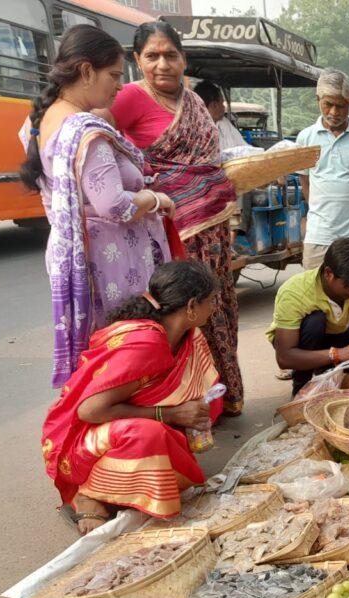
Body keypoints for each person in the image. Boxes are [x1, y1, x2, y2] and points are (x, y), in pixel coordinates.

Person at [18, 25, 173, 389]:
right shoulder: (86, 132)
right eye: (115, 75)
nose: (119, 87)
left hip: (73, 251)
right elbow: (114, 205)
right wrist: (155, 199)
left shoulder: (38, 122)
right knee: (118, 351)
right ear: (86, 71)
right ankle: (124, 431)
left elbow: (69, 199)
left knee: (95, 351)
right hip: (108, 261)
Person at [103, 21, 243, 415]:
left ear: (183, 59)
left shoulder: (196, 103)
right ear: (136, 60)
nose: (162, 64)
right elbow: (96, 141)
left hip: (212, 230)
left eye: (170, 55)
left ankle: (222, 396)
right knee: (183, 317)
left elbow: (207, 163)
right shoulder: (129, 97)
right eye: (152, 56)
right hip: (170, 233)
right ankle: (186, 405)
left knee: (219, 310)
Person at [42, 261, 222, 535]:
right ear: (191, 306)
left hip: (119, 424)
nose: (214, 308)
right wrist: (171, 414)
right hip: (81, 437)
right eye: (210, 301)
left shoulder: (188, 335)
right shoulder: (147, 344)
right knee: (148, 434)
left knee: (199, 412)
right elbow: (90, 411)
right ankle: (90, 495)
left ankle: (130, 483)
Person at [268, 237, 349, 395]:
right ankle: (301, 385)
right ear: (328, 273)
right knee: (315, 321)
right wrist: (338, 354)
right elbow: (284, 358)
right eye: (348, 286)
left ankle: (326, 369)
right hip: (299, 343)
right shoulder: (294, 292)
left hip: (334, 336)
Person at [296, 69, 349, 269]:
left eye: (340, 106)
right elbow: (305, 183)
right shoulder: (305, 138)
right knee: (313, 289)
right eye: (328, 104)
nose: (334, 112)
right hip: (319, 233)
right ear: (318, 100)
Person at [193, 79, 248, 151]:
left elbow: (244, 148)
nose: (224, 107)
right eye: (222, 103)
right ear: (214, 105)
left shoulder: (225, 124)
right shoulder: (192, 131)